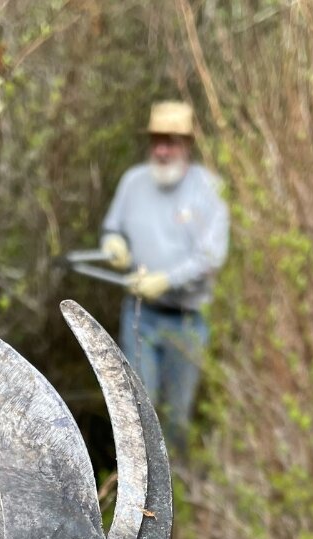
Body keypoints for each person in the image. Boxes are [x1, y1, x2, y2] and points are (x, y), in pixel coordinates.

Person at [100, 101, 229, 453]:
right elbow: (113, 227)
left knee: (176, 417)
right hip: (139, 316)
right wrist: (113, 243)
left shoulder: (210, 189)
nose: (162, 150)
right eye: (156, 140)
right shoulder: (133, 182)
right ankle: (135, 485)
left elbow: (211, 256)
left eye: (170, 141)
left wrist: (166, 280)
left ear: (187, 144)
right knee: (138, 415)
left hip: (187, 321)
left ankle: (178, 483)